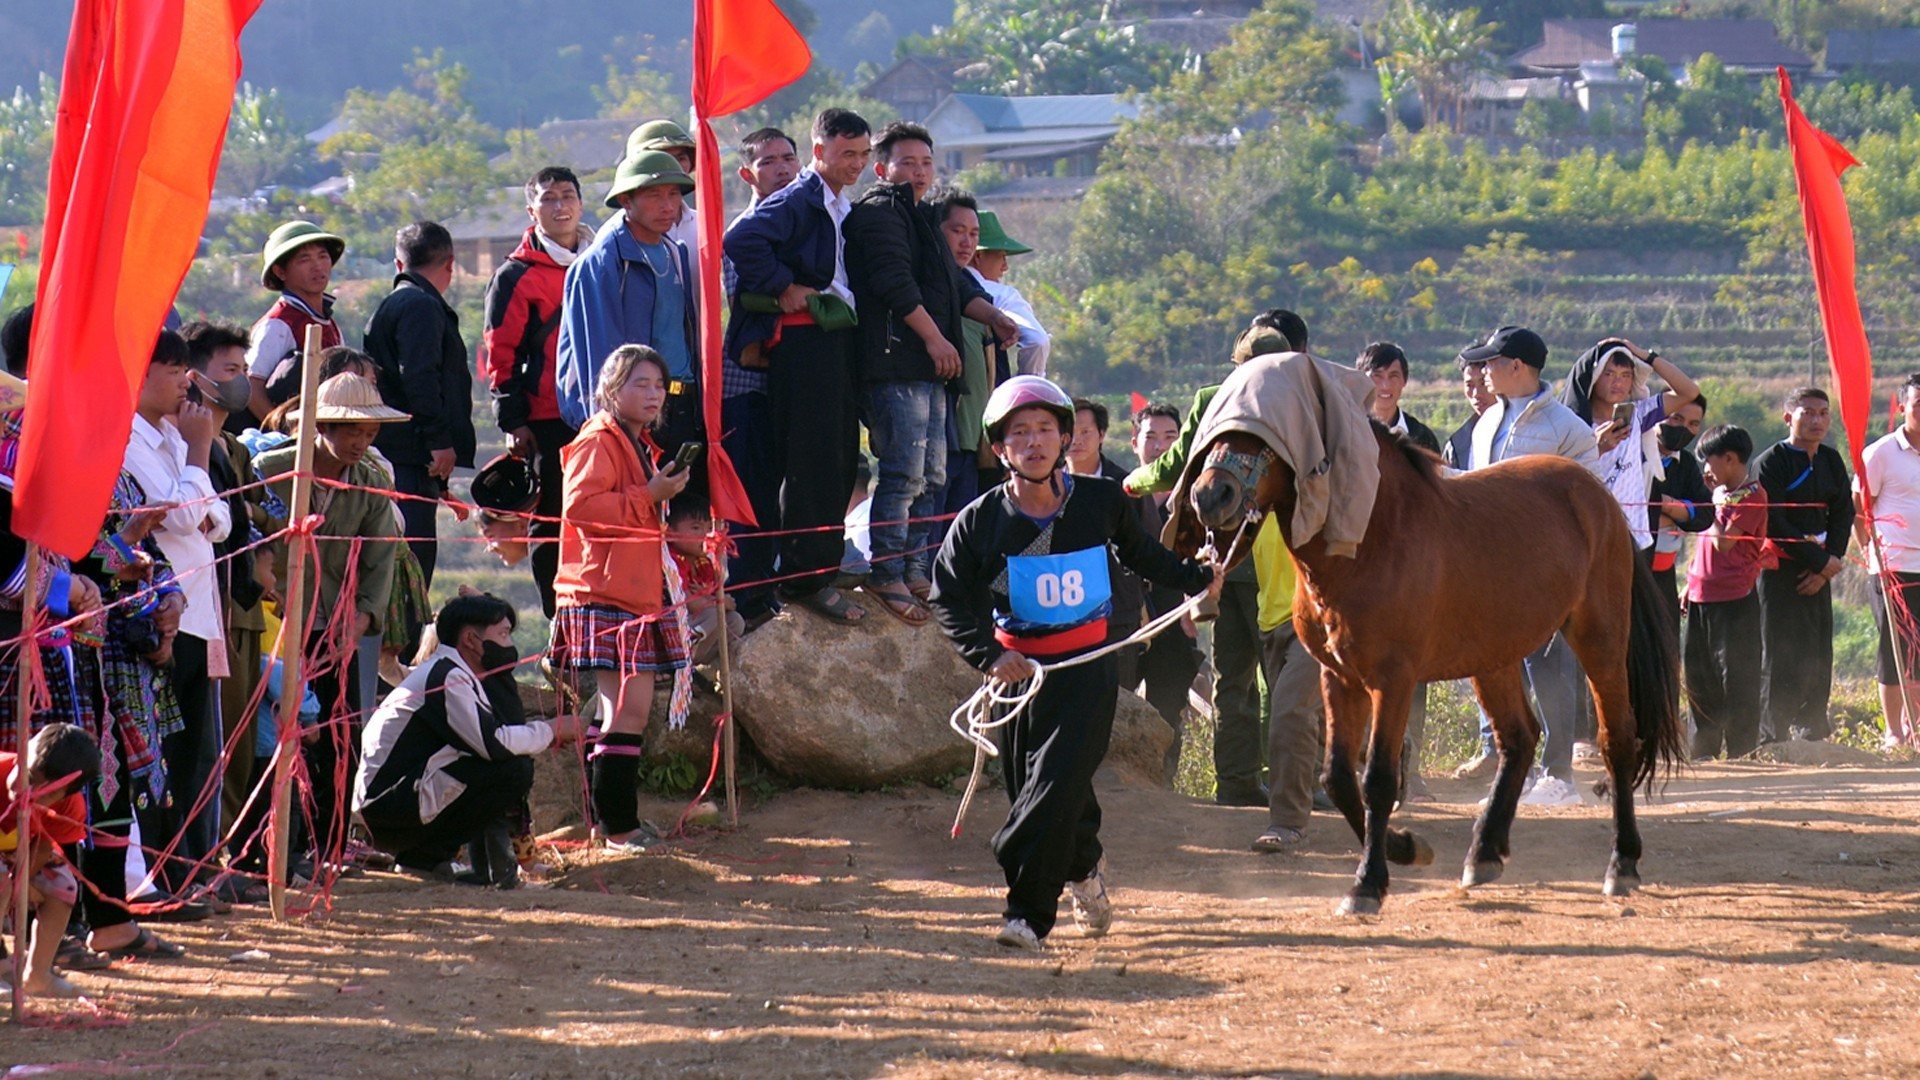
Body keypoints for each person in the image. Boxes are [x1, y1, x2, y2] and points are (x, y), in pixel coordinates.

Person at [930, 376, 1223, 950]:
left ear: (1065, 438)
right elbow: (947, 598)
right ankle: (1084, 869)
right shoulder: (980, 521)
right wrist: (991, 655)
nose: (1033, 442)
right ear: (1000, 447)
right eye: (1019, 433)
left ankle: (1025, 916)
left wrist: (1197, 577)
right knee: (1047, 792)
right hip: (1018, 680)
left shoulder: (1101, 501)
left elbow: (1145, 557)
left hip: (1089, 669)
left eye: (1045, 429)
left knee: (1053, 785)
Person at [1126, 309, 1310, 806]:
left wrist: (1132, 482)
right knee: (1284, 679)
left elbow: (1174, 464)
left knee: (1235, 676)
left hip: (1222, 563)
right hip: (1283, 563)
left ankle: (1235, 781)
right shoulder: (1300, 402)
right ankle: (1290, 782)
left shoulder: (1215, 397)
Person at [844, 121, 1015, 625]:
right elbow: (894, 284)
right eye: (907, 163)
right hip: (894, 364)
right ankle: (887, 570)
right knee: (902, 472)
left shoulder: (922, 218)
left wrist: (994, 316)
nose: (919, 172)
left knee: (932, 476)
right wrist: (936, 339)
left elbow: (957, 286)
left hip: (930, 371)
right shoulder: (879, 213)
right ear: (882, 168)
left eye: (926, 163)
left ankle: (916, 567)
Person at [722, 108, 872, 625]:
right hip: (804, 338)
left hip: (834, 336)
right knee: (814, 459)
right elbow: (740, 240)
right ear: (820, 152)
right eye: (846, 153)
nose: (856, 163)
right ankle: (805, 578)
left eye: (863, 154)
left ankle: (821, 566)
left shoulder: (838, 202)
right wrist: (783, 285)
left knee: (838, 455)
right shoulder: (799, 198)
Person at [254, 374, 405, 871]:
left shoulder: (371, 482)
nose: (360, 442)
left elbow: (380, 558)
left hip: (334, 621)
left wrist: (361, 618)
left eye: (369, 433)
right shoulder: (270, 471)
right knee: (279, 728)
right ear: (321, 427)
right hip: (273, 620)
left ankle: (331, 846)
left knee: (339, 733)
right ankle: (277, 849)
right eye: (350, 431)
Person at [550, 345, 691, 850]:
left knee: (619, 709)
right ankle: (620, 828)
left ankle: (606, 821)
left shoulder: (632, 442)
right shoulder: (598, 439)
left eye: (660, 386)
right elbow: (581, 509)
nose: (654, 394)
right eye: (640, 384)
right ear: (612, 389)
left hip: (625, 589)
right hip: (603, 589)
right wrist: (648, 496)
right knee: (628, 709)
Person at [1457, 325, 1599, 806]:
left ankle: (1559, 775)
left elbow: (1591, 504)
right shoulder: (1485, 423)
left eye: (1490, 363)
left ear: (1516, 366)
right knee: (1499, 667)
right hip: (1489, 566)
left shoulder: (1568, 430)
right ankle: (1516, 770)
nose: (1482, 371)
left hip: (1544, 569)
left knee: (1550, 666)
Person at [356, 593, 581, 888]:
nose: (509, 645)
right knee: (511, 771)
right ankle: (443, 861)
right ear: (471, 640)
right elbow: (492, 745)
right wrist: (551, 729)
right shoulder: (447, 677)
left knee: (503, 766)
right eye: (503, 634)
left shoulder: (454, 673)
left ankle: (431, 860)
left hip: (399, 798)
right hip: (386, 807)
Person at [121, 328, 230, 900]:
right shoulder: (130, 440)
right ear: (139, 376)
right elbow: (186, 518)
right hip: (163, 616)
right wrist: (199, 455)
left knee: (195, 756)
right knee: (163, 756)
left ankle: (190, 870)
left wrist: (195, 484)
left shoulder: (171, 434)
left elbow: (220, 520)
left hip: (199, 613)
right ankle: (165, 875)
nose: (185, 382)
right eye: (171, 370)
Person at [181, 321, 282, 890]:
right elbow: (224, 518)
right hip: (208, 603)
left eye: (245, 369)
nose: (242, 380)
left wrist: (251, 522)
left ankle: (232, 855)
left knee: (239, 738)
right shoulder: (187, 447)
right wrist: (248, 520)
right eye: (230, 370)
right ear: (195, 377)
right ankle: (212, 854)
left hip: (240, 604)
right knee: (212, 739)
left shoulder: (234, 449)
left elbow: (261, 512)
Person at [557, 151, 705, 494]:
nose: (667, 206)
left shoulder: (675, 251)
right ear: (626, 200)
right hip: (634, 414)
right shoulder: (602, 263)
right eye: (654, 195)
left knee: (687, 516)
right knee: (635, 510)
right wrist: (612, 429)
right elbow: (599, 360)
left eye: (673, 194)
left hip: (681, 402)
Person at [483, 167, 590, 618]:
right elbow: (500, 351)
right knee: (553, 520)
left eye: (568, 195)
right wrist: (512, 419)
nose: (560, 205)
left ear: (581, 203)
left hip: (605, 414)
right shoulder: (516, 275)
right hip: (547, 417)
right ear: (532, 210)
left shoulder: (602, 259)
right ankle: (558, 619)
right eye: (548, 198)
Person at [717, 128, 803, 631]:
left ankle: (772, 588)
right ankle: (748, 598)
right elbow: (745, 302)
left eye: (788, 158)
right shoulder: (744, 234)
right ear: (747, 174)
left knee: (784, 493)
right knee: (750, 497)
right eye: (769, 161)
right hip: (743, 385)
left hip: (787, 384)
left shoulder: (805, 227)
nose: (782, 168)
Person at [364, 220, 475, 593]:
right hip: (409, 453)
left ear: (399, 265)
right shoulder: (420, 306)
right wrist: (438, 440)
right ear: (450, 264)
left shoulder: (401, 303)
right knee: (410, 566)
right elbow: (419, 377)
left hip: (406, 453)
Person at [1753, 387, 1855, 743]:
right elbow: (1773, 521)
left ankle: (1813, 728)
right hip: (1780, 568)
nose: (1817, 420)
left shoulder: (1830, 459)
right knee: (1777, 650)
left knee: (1817, 649)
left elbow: (1843, 512)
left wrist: (1831, 562)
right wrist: (1820, 561)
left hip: (1821, 569)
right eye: (1808, 412)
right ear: (1788, 417)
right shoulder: (1771, 461)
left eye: (1823, 413)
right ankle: (1772, 733)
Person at [1119, 403, 1202, 781]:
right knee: (1118, 702)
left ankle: (1164, 784)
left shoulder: (1197, 495)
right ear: (1134, 442)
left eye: (1171, 438)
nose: (1160, 447)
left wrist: (1196, 606)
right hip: (1126, 614)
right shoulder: (1121, 493)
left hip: (1175, 613)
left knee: (1168, 709)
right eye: (1151, 437)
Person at [1559, 338, 1703, 550]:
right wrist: (1597, 449)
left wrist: (1645, 355)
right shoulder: (1572, 423)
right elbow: (1560, 473)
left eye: (1625, 375)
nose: (1618, 383)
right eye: (1609, 374)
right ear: (1594, 377)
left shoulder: (1638, 415)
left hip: (1631, 534)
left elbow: (1689, 392)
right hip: (1586, 531)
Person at [1685, 424, 1768, 760]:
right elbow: (1703, 546)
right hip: (1700, 595)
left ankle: (1741, 751)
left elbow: (1724, 542)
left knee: (1737, 678)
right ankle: (1703, 751)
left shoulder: (1752, 497)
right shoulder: (1721, 495)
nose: (1706, 468)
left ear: (1730, 459)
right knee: (1699, 676)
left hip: (1734, 598)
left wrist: (1711, 505)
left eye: (1709, 460)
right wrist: (1690, 582)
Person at [1, 723, 102, 996]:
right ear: (22, 754)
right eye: (29, 777)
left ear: (66, 793)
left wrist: (22, 882)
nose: (28, 791)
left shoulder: (70, 807)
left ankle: (38, 974)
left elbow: (44, 847)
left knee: (62, 885)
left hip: (15, 855)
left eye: (46, 792)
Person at [1249, 516, 1325, 852]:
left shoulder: (1321, 485)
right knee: (1319, 714)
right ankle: (1390, 750)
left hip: (1318, 615)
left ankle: (1288, 822)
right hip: (1271, 618)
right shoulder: (1252, 490)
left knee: (1290, 712)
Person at [932, 191, 998, 548]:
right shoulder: (931, 286)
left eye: (973, 234)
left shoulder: (973, 290)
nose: (966, 242)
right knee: (935, 523)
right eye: (958, 231)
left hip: (973, 436)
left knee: (962, 530)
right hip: (944, 431)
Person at [1857, 374, 1920, 748]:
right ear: (1903, 407)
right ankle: (1893, 731)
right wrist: (1868, 548)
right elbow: (1859, 505)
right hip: (1892, 566)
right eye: (1918, 405)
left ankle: (1916, 728)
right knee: (1894, 648)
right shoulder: (1881, 452)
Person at [246, 220, 346, 421]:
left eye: (322, 256)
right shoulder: (278, 324)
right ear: (280, 271)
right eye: (304, 259)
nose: (317, 266)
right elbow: (251, 387)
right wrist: (283, 431)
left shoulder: (328, 322)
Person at [1647, 396, 1713, 636]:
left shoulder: (1685, 462)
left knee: (1665, 643)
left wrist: (1667, 506)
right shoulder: (1633, 453)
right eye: (1676, 418)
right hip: (1627, 570)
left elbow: (1705, 515)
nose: (1684, 428)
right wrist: (1678, 513)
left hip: (1664, 571)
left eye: (1693, 424)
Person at [968, 211, 1051, 375]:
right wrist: (1028, 385)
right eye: (1001, 257)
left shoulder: (933, 284)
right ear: (979, 256)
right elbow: (1037, 341)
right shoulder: (1000, 295)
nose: (1005, 267)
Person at [666, 500, 745, 667]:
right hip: (672, 628)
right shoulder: (672, 562)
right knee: (714, 615)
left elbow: (719, 598)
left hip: (696, 621)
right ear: (670, 532)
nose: (706, 535)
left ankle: (697, 664)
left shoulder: (704, 563)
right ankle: (681, 661)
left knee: (735, 621)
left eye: (709, 528)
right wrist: (719, 602)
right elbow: (693, 605)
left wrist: (714, 600)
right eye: (696, 528)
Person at [1356, 342, 1440, 453]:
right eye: (1377, 376)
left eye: (1393, 376)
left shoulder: (1422, 438)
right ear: (1361, 380)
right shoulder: (1349, 433)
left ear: (1404, 380)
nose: (1385, 386)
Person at [1442, 350, 1496, 469]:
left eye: (1483, 383)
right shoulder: (1456, 445)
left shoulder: (1521, 432)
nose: (1477, 394)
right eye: (1469, 385)